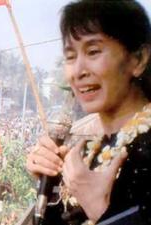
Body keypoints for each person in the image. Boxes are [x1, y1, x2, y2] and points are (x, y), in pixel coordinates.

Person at [26, 0, 151, 224]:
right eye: (71, 56)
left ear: (138, 59)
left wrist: (100, 209)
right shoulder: (89, 152)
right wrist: (51, 183)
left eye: (93, 52)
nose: (78, 71)